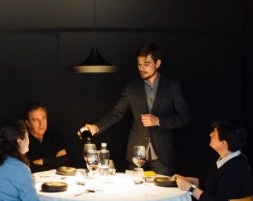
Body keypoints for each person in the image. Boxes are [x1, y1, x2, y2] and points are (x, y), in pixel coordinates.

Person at [77, 43, 191, 175]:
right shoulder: (131, 88)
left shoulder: (172, 87)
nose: (142, 68)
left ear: (158, 63)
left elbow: (185, 117)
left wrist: (159, 120)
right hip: (135, 156)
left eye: (146, 64)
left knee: (162, 194)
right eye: (139, 64)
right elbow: (116, 113)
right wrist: (95, 127)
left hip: (163, 158)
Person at [24, 101, 73, 173]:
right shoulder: (24, 142)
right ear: (28, 123)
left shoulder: (55, 137)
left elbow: (68, 160)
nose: (41, 124)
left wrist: (43, 161)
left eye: (43, 118)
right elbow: (29, 168)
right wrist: (55, 161)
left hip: (57, 181)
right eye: (36, 120)